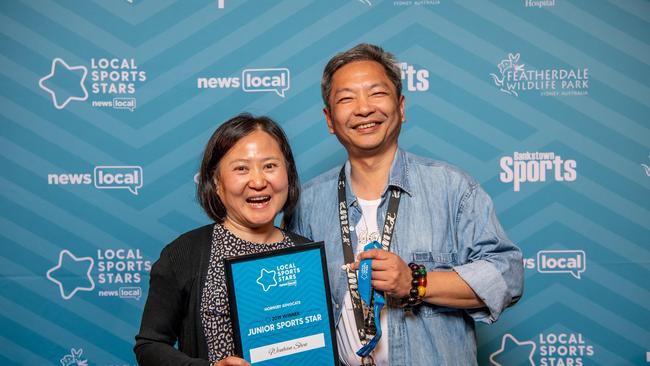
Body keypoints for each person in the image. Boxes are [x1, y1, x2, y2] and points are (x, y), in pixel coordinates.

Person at [287, 44, 524, 366]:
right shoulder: (306, 203)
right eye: (346, 99)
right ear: (330, 120)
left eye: (376, 93)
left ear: (401, 106)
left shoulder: (453, 188)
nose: (363, 108)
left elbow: (506, 277)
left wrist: (415, 282)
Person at [134, 113, 307, 366]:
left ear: (288, 174)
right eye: (241, 169)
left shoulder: (305, 254)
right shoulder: (184, 254)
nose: (258, 181)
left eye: (270, 166)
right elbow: (150, 346)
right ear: (216, 182)